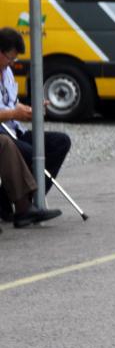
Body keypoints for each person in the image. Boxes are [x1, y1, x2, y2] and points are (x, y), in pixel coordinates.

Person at [0, 27, 71, 218]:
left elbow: (11, 103)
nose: (11, 63)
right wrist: (13, 113)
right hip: (3, 132)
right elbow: (9, 111)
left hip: (15, 131)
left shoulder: (7, 72)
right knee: (32, 153)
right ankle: (20, 204)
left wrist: (31, 109)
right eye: (9, 58)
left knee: (60, 142)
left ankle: (28, 200)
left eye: (14, 59)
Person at [0, 135, 61, 229]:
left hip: (18, 131)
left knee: (61, 142)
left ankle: (26, 201)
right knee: (8, 143)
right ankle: (22, 206)